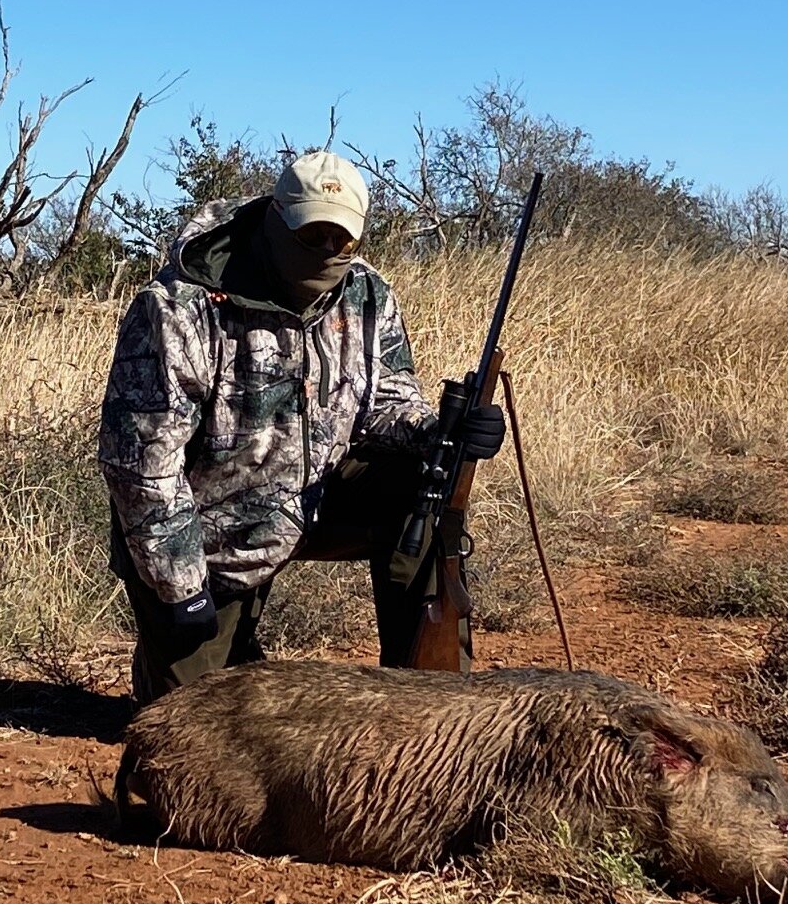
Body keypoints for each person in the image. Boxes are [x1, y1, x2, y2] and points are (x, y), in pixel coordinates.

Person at [97, 150, 507, 705]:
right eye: (313, 235)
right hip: (210, 534)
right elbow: (142, 465)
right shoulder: (179, 310)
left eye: (342, 240)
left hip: (315, 497)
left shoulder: (367, 294)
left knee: (428, 481)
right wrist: (179, 587)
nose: (329, 252)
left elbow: (385, 401)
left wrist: (439, 435)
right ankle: (207, 646)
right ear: (275, 218)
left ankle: (425, 701)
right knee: (193, 729)